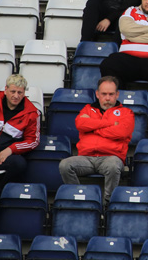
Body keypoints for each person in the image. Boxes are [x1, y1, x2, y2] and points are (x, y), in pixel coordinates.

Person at [58, 76, 134, 206]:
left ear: (117, 94)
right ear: (97, 94)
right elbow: (80, 124)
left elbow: (121, 132)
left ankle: (107, 204)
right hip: (86, 158)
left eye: (111, 94)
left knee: (113, 165)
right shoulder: (87, 109)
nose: (107, 98)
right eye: (104, 94)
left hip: (111, 157)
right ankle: (79, 199)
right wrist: (110, 123)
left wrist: (93, 128)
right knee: (65, 165)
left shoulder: (126, 113)